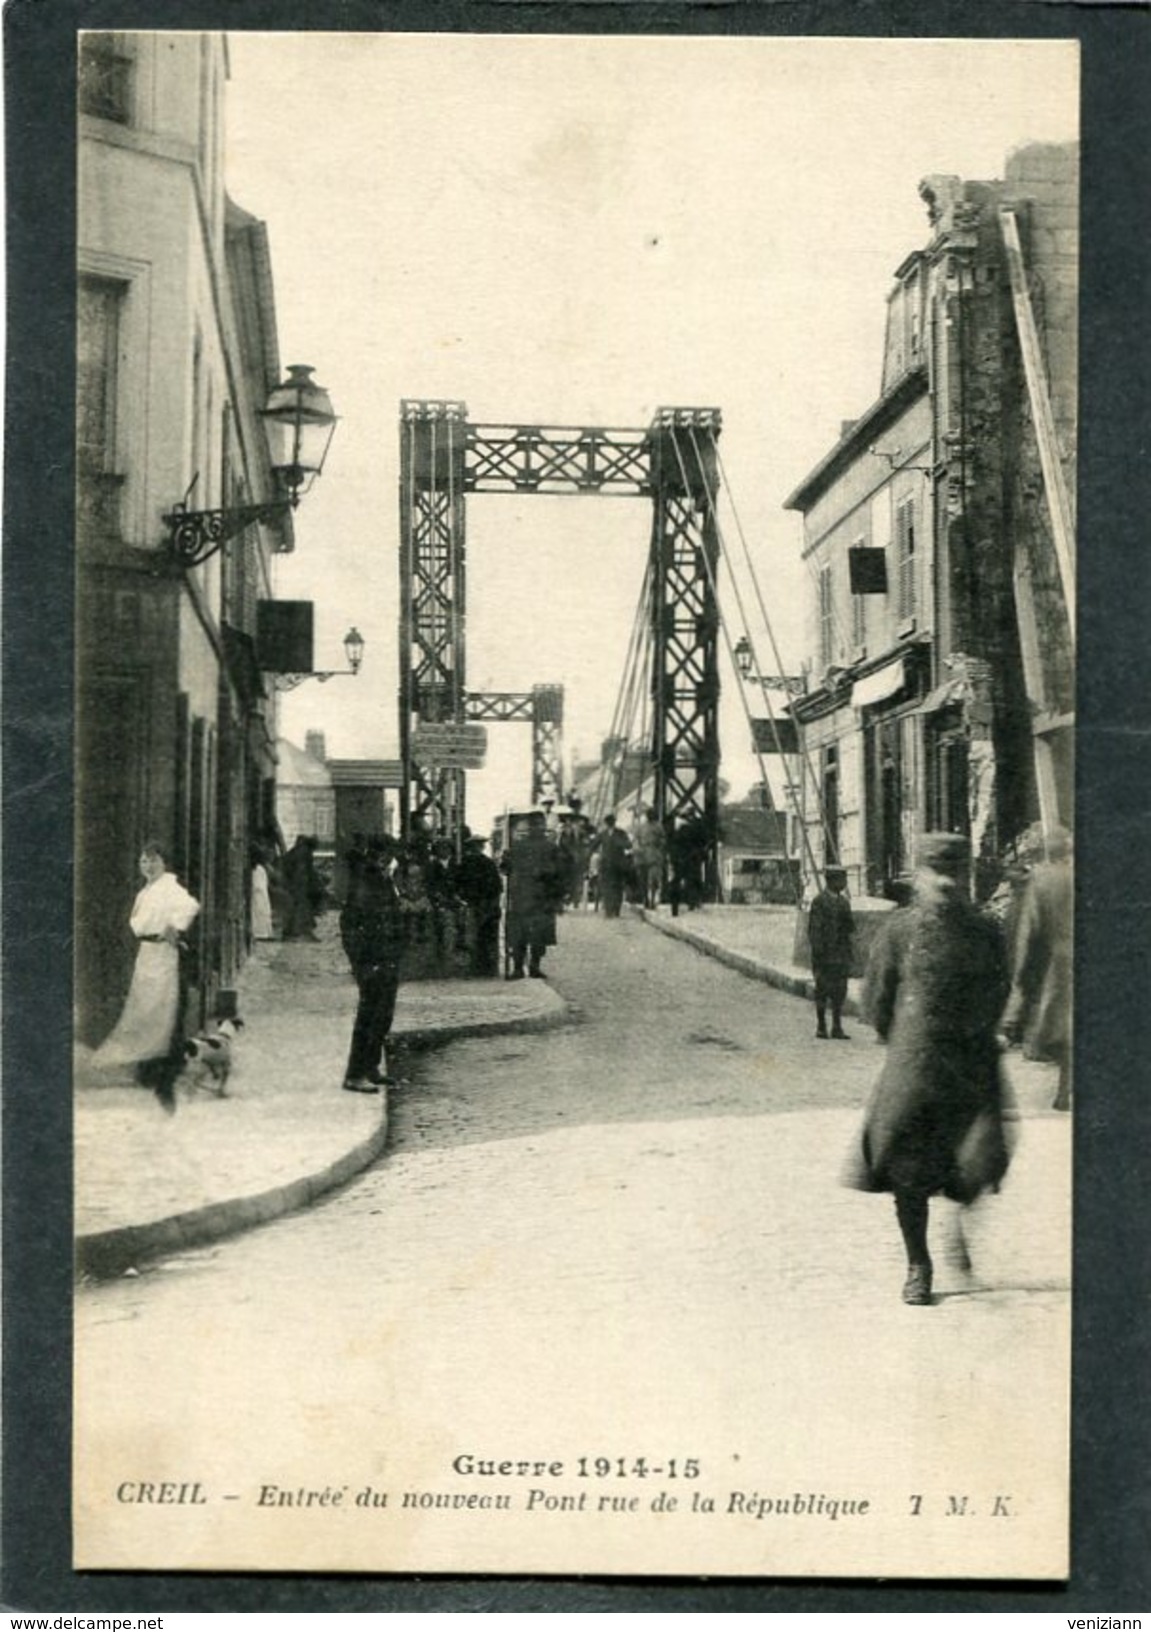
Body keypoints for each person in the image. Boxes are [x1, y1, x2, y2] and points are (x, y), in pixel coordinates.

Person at [844, 831, 1013, 1307]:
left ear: (968, 876)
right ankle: (918, 1264)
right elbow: (875, 997)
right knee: (907, 1170)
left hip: (971, 1067)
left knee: (979, 1159)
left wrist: (978, 1033)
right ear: (918, 877)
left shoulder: (985, 932)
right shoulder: (898, 932)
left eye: (955, 873)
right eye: (936, 873)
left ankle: (958, 1224)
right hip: (915, 1068)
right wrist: (899, 1036)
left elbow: (1000, 988)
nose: (946, 883)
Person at [90, 839, 200, 1112]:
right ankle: (147, 1061)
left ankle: (158, 1065)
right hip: (147, 953)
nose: (148, 865)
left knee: (159, 1008)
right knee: (142, 1006)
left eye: (154, 860)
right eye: (144, 861)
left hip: (163, 954)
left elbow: (190, 906)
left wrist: (174, 928)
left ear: (164, 863)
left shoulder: (170, 887)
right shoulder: (147, 891)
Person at [1001, 826, 1073, 1111]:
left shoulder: (1042, 881)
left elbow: (1029, 935)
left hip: (1058, 968)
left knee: (1064, 1028)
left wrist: (1020, 983)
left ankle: (1065, 1090)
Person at [339, 835, 406, 1093]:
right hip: (374, 961)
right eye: (388, 854)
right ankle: (355, 1074)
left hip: (386, 958)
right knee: (369, 1017)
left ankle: (371, 1068)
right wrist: (363, 963)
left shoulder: (380, 879)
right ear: (380, 854)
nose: (390, 859)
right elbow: (352, 925)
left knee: (383, 1016)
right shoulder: (367, 880)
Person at [501, 812, 563, 979]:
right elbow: (559, 874)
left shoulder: (517, 846)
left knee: (520, 934)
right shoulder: (551, 848)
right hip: (541, 898)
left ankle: (519, 968)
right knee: (538, 935)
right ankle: (532, 967)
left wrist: (506, 858)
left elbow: (505, 869)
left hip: (522, 897)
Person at [807, 865, 855, 1039]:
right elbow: (814, 931)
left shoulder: (844, 902)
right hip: (824, 956)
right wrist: (819, 953)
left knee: (840, 991)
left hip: (840, 956)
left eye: (845, 880)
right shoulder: (819, 902)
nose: (844, 883)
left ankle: (837, 1027)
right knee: (822, 990)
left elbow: (850, 928)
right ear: (831, 881)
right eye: (841, 880)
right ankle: (821, 1026)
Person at [452, 834, 504, 976]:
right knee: (482, 938)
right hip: (480, 905)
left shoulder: (468, 863)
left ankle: (479, 968)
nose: (478, 848)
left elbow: (458, 886)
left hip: (478, 904)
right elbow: (497, 888)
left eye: (479, 845)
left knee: (477, 937)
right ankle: (485, 968)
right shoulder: (483, 863)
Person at [281, 834, 321, 941]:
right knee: (300, 909)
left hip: (296, 885)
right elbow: (304, 871)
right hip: (299, 885)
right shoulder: (304, 853)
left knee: (297, 909)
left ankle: (292, 932)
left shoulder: (296, 851)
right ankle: (298, 932)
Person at [595, 814, 632, 919]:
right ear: (606, 823)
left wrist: (620, 843)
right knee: (607, 887)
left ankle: (616, 909)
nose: (610, 824)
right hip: (606, 864)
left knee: (617, 887)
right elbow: (594, 845)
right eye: (609, 822)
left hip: (618, 864)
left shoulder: (621, 833)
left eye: (612, 822)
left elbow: (628, 844)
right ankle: (608, 909)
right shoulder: (602, 834)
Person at [632, 807, 667, 909]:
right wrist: (638, 849)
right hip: (642, 856)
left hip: (654, 855)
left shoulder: (658, 826)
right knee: (643, 880)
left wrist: (659, 845)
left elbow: (663, 839)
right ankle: (645, 899)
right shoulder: (641, 827)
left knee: (653, 880)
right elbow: (636, 839)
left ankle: (652, 899)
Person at [250, 845, 274, 941]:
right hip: (258, 894)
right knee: (258, 913)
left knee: (261, 912)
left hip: (260, 895)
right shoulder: (259, 870)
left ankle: (262, 932)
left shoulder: (260, 870)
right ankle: (260, 933)